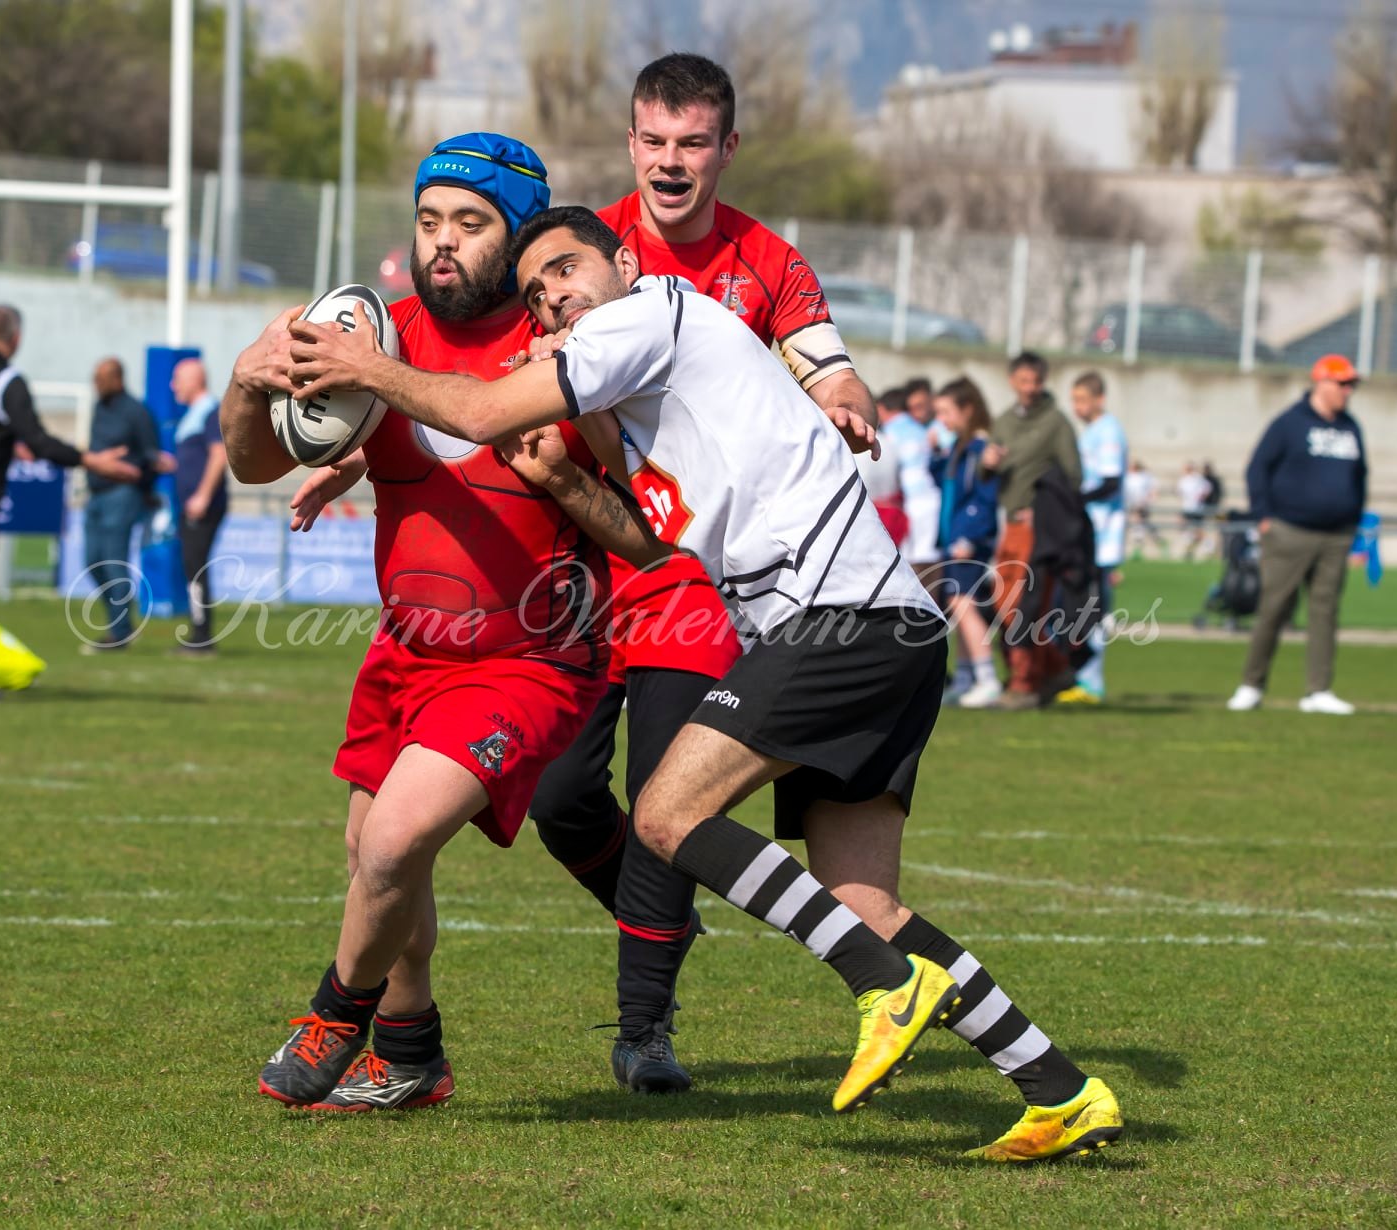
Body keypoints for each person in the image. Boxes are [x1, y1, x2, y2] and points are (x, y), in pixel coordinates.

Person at [281, 204, 1125, 1160]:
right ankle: (1057, 1088)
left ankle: (883, 985)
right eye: (535, 293)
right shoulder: (644, 400)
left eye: (564, 269)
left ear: (624, 260)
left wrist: (363, 372)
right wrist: (564, 484)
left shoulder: (648, 317)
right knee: (866, 904)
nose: (552, 295)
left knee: (665, 815)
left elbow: (475, 408)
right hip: (884, 628)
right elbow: (654, 545)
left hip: (834, 619)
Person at [233, 133, 613, 1113]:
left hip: (526, 660)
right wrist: (249, 383)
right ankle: (409, 1052)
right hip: (406, 651)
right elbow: (253, 465)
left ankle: (334, 1015)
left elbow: (493, 422)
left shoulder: (569, 344)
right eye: (430, 220)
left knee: (396, 844)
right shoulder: (382, 332)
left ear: (520, 232)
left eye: (471, 224)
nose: (443, 242)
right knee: (373, 856)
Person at [525, 52, 877, 1094]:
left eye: (693, 144)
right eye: (654, 142)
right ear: (631, 143)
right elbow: (495, 375)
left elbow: (823, 354)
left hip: (688, 575)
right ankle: (660, 922)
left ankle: (643, 1028)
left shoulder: (767, 259)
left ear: (727, 148)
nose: (671, 163)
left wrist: (849, 397)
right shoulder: (580, 249)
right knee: (557, 798)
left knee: (659, 802)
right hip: (580, 562)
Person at [0, 305, 139, 700]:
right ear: (16, 338)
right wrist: (90, 460)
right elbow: (37, 438)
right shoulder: (6, 379)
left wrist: (7, 444)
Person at [1228, 354, 1368, 716]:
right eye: (1342, 384)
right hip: (1290, 531)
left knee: (1325, 613)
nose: (1347, 391)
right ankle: (1251, 685)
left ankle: (1318, 689)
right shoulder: (1290, 424)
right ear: (1320, 382)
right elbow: (1258, 468)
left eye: (1351, 384)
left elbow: (1360, 477)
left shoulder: (1350, 428)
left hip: (1336, 535)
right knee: (1274, 609)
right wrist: (1263, 517)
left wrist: (1353, 522)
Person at [982, 350, 1082, 710]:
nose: (1029, 388)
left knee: (1022, 609)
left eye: (1036, 381)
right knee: (1003, 606)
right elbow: (988, 476)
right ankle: (1054, 670)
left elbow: (1073, 478)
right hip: (1008, 526)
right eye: (1023, 381)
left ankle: (1025, 686)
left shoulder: (1056, 423)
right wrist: (987, 465)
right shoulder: (1005, 421)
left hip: (1037, 530)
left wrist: (1041, 509)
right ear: (1013, 381)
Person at [80, 358, 168, 653]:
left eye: (100, 378)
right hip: (96, 494)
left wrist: (144, 488)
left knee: (113, 562)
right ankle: (118, 625)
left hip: (123, 494)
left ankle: (120, 632)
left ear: (117, 378)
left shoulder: (136, 411)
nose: (96, 383)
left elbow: (151, 455)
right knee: (92, 561)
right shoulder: (99, 408)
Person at [928, 378, 1001, 710]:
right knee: (959, 608)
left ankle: (987, 679)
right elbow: (942, 480)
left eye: (946, 411)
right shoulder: (959, 448)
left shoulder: (979, 450)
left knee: (964, 606)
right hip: (952, 541)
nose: (940, 418)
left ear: (967, 410)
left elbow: (984, 500)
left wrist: (969, 538)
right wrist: (935, 453)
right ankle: (965, 679)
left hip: (966, 543)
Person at [1057, 371, 1126, 705]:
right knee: (1080, 606)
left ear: (1099, 399)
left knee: (1093, 608)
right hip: (1087, 534)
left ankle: (1091, 682)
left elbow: (1111, 482)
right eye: (1074, 399)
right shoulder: (1093, 431)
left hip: (1102, 535)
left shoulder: (1108, 431)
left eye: (1082, 399)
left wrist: (1075, 501)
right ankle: (1079, 676)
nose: (1077, 406)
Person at [170, 357, 227, 654]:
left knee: (196, 566)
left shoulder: (209, 412)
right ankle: (198, 632)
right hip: (190, 505)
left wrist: (203, 495)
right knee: (191, 566)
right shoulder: (194, 413)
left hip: (202, 506)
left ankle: (201, 636)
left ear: (195, 380)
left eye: (177, 378)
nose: (172, 385)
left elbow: (219, 455)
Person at [877, 380, 944, 580]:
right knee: (929, 556)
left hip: (910, 502)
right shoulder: (922, 429)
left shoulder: (887, 434)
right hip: (930, 497)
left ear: (881, 408)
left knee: (910, 561)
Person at [1124, 460, 1163, 559]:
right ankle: (1158, 541)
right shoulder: (1128, 476)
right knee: (1138, 526)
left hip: (1141, 505)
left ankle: (1138, 550)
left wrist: (1147, 500)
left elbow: (1153, 489)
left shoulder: (1145, 476)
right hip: (1131, 505)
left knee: (1139, 526)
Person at [1176, 461, 1212, 561]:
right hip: (1187, 507)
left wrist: (1201, 497)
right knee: (1185, 527)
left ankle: (1208, 546)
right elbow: (1180, 492)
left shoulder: (1197, 478)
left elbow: (1207, 488)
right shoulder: (1184, 479)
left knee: (1197, 530)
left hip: (1196, 508)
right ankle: (1192, 546)